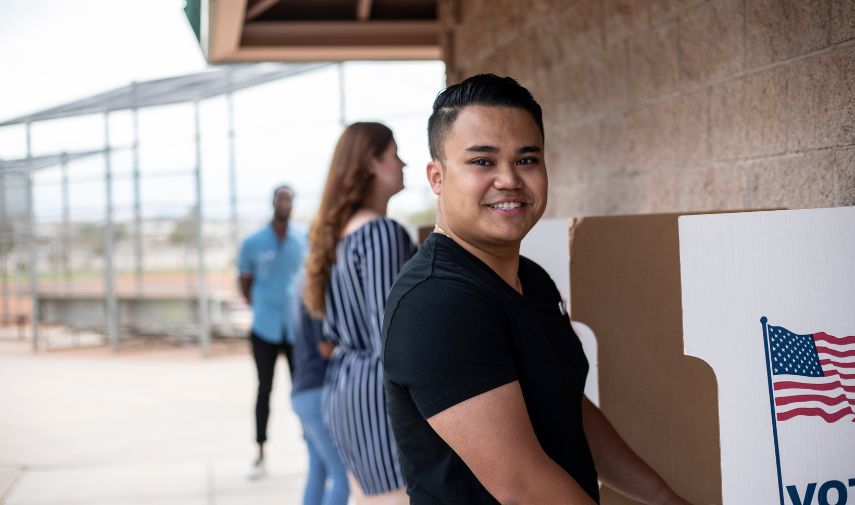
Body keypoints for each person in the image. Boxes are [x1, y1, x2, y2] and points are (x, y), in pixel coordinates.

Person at [382, 74, 692, 504]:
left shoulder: (532, 279)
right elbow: (522, 486)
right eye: (482, 162)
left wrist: (663, 498)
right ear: (437, 177)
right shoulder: (437, 302)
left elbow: (565, 408)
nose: (509, 179)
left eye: (527, 159)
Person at [303, 122, 416, 504]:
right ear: (372, 162)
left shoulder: (338, 235)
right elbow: (390, 337)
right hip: (378, 395)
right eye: (395, 154)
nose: (404, 164)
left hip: (346, 388)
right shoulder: (380, 233)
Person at [237, 184, 305, 480]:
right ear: (273, 202)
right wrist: (258, 305)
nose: (285, 204)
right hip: (265, 328)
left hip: (295, 329)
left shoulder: (302, 239)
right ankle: (260, 452)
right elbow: (245, 280)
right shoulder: (253, 242)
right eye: (281, 198)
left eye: (289, 199)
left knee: (303, 391)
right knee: (264, 390)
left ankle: (312, 451)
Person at [290, 276, 350, 505]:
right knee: (342, 476)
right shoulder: (316, 289)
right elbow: (325, 348)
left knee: (318, 470)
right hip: (317, 393)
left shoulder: (301, 286)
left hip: (303, 392)